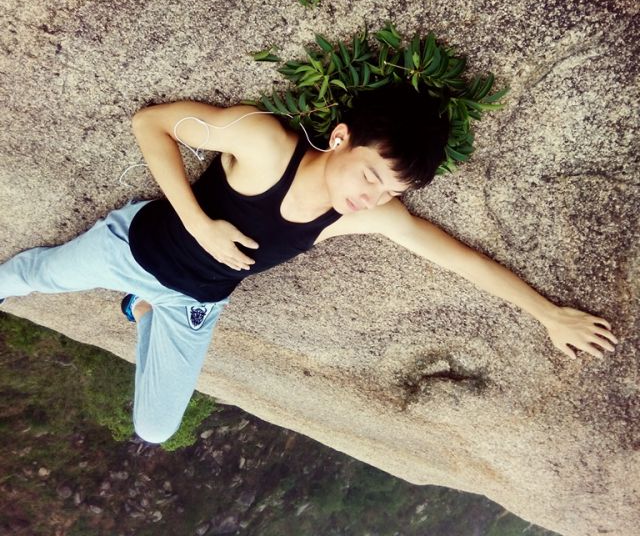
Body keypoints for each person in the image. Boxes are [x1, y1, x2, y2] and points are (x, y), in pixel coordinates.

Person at [0, 84, 618, 444]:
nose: (372, 197)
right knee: (34, 276)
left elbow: (459, 259)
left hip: (197, 304)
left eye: (390, 191)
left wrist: (549, 314)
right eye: (371, 176)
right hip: (130, 251)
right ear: (342, 137)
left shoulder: (362, 215)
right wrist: (198, 222)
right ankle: (132, 298)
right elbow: (150, 124)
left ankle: (144, 311)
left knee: (155, 430)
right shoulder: (263, 142)